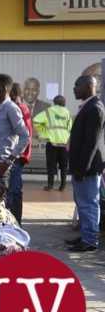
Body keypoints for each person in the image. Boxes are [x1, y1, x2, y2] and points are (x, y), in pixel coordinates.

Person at [66, 75, 105, 252]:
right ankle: (86, 235)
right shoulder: (88, 107)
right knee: (83, 203)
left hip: (87, 168)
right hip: (81, 167)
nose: (74, 88)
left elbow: (91, 142)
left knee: (89, 203)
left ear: (89, 86)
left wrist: (82, 168)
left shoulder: (95, 108)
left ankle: (90, 241)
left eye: (77, 85)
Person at [0, 74, 30, 201]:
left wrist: (8, 161)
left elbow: (25, 136)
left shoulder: (11, 108)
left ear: (4, 88)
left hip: (1, 167)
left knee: (1, 208)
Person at [5, 83, 33, 224]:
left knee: (14, 191)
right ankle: (15, 221)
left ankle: (15, 222)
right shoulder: (22, 108)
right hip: (19, 155)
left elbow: (25, 135)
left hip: (17, 155)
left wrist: (17, 154)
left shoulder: (19, 109)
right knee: (12, 190)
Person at [33, 95, 72, 191]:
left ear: (54, 102)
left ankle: (50, 185)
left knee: (51, 165)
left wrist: (44, 133)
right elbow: (70, 127)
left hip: (52, 143)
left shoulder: (49, 111)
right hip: (64, 144)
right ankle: (62, 186)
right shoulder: (67, 112)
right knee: (64, 166)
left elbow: (36, 120)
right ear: (64, 103)